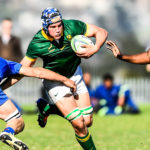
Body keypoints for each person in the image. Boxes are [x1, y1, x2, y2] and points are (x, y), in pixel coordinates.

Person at [2, 7, 108, 149]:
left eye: (59, 25)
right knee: (78, 124)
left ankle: (48, 108)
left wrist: (95, 48)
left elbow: (101, 32)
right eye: (53, 27)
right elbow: (22, 70)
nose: (58, 29)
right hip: (54, 82)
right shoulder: (37, 43)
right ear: (45, 27)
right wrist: (2, 88)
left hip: (75, 74)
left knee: (87, 121)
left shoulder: (72, 26)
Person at [0, 57, 76, 150]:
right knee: (16, 121)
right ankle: (8, 132)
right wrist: (64, 79)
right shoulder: (3, 63)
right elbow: (39, 72)